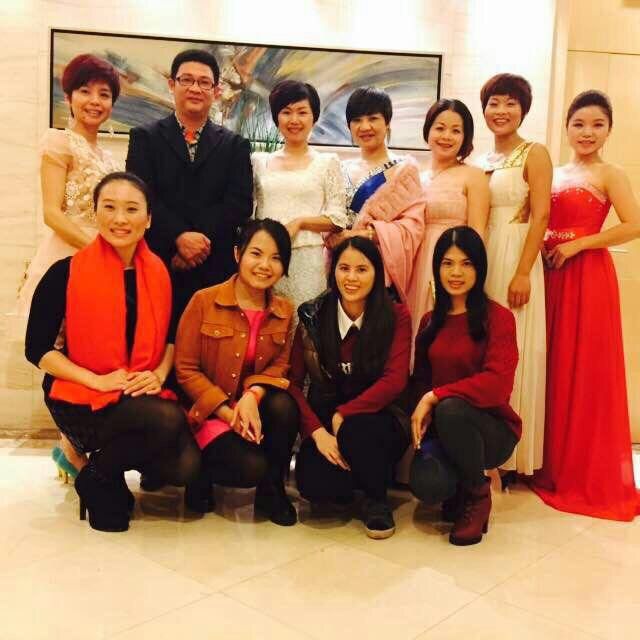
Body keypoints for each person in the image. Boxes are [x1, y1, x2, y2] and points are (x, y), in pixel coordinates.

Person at [25, 172, 200, 532]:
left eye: (132, 209)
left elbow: (172, 337)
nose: (120, 219)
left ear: (148, 219)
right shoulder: (66, 272)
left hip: (137, 389)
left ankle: (98, 471)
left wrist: (158, 374)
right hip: (80, 394)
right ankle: (93, 464)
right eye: (110, 207)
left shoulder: (162, 273)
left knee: (185, 466)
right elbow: (37, 349)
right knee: (168, 419)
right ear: (96, 213)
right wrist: (98, 381)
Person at [533, 91, 640, 521]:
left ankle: (580, 468)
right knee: (552, 363)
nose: (587, 132)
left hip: (588, 277)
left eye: (597, 124)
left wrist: (580, 244)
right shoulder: (555, 173)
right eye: (579, 123)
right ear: (566, 127)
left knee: (585, 368)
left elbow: (634, 225)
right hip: (549, 274)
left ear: (609, 129)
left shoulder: (611, 173)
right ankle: (546, 463)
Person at [15, 53, 122, 479]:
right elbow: (52, 213)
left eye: (104, 94)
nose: (95, 101)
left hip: (103, 265)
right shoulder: (58, 143)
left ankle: (72, 444)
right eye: (85, 91)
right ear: (69, 97)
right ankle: (70, 445)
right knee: (57, 350)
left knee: (89, 350)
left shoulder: (109, 156)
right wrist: (99, 250)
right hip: (68, 259)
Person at [175, 219, 300, 526]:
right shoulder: (204, 301)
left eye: (276, 258)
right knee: (248, 468)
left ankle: (272, 491)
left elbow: (280, 366)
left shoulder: (285, 311)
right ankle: (200, 474)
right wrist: (228, 413)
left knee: (284, 406)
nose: (264, 265)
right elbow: (186, 369)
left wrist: (252, 396)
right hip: (209, 412)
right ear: (237, 254)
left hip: (250, 408)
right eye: (256, 254)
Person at [290, 237, 412, 539]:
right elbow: (292, 383)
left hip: (380, 419)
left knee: (358, 431)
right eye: (344, 268)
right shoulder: (313, 315)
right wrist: (317, 433)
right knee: (315, 486)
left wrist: (344, 414)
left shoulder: (396, 315)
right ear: (333, 271)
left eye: (362, 269)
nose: (351, 278)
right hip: (327, 422)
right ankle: (357, 479)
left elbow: (395, 380)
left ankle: (377, 501)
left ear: (377, 273)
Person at [410, 226, 520, 546]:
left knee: (451, 408)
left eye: (466, 263)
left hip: (492, 430)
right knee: (428, 484)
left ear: (479, 268)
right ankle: (457, 487)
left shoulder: (498, 318)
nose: (456, 272)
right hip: (444, 429)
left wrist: (435, 396)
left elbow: (497, 385)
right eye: (447, 263)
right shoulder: (430, 321)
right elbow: (421, 380)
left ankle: (477, 495)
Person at [126, 48, 253, 316]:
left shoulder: (235, 145)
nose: (195, 88)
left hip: (215, 267)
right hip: (161, 260)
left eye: (204, 82)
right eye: (187, 80)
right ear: (172, 84)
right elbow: (140, 198)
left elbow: (239, 204)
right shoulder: (144, 138)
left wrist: (198, 244)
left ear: (216, 91)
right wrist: (178, 238)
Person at [476, 73, 551, 478]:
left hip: (516, 256)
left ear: (523, 109)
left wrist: (523, 272)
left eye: (510, 103)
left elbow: (541, 215)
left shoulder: (534, 153)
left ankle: (509, 457)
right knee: (483, 348)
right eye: (494, 102)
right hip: (484, 255)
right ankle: (481, 450)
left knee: (514, 348)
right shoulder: (482, 159)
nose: (501, 111)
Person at [328, 87, 426, 333]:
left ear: (387, 122)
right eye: (357, 120)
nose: (365, 126)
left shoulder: (403, 171)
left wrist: (366, 234)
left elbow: (412, 228)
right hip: (339, 273)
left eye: (373, 118)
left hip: (378, 276)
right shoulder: (339, 168)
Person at [252, 80, 347, 311]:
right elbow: (251, 213)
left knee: (305, 324)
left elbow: (337, 219)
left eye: (302, 112)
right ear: (276, 117)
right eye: (286, 112)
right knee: (264, 323)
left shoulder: (327, 162)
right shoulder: (258, 161)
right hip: (264, 258)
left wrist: (300, 223)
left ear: (314, 117)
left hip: (307, 260)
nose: (294, 120)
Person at [417, 98, 489, 327]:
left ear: (465, 137)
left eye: (456, 130)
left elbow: (478, 234)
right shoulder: (416, 176)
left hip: (452, 264)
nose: (446, 136)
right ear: (428, 130)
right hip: (416, 264)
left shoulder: (474, 176)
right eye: (440, 128)